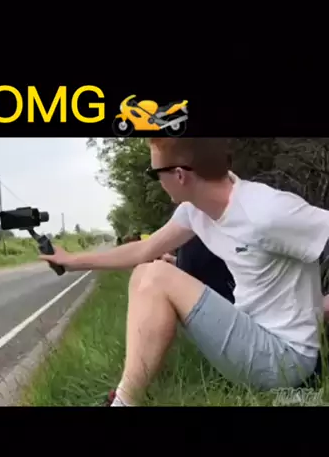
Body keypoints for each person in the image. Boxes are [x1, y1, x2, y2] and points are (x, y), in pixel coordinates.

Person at [41, 138, 329, 406]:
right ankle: (127, 394)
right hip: (252, 334)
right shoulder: (195, 211)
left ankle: (123, 403)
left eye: (154, 174)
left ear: (179, 175)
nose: (157, 181)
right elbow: (144, 250)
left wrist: (321, 305)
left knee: (156, 277)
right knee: (146, 272)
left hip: (288, 361)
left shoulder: (267, 212)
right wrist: (72, 261)